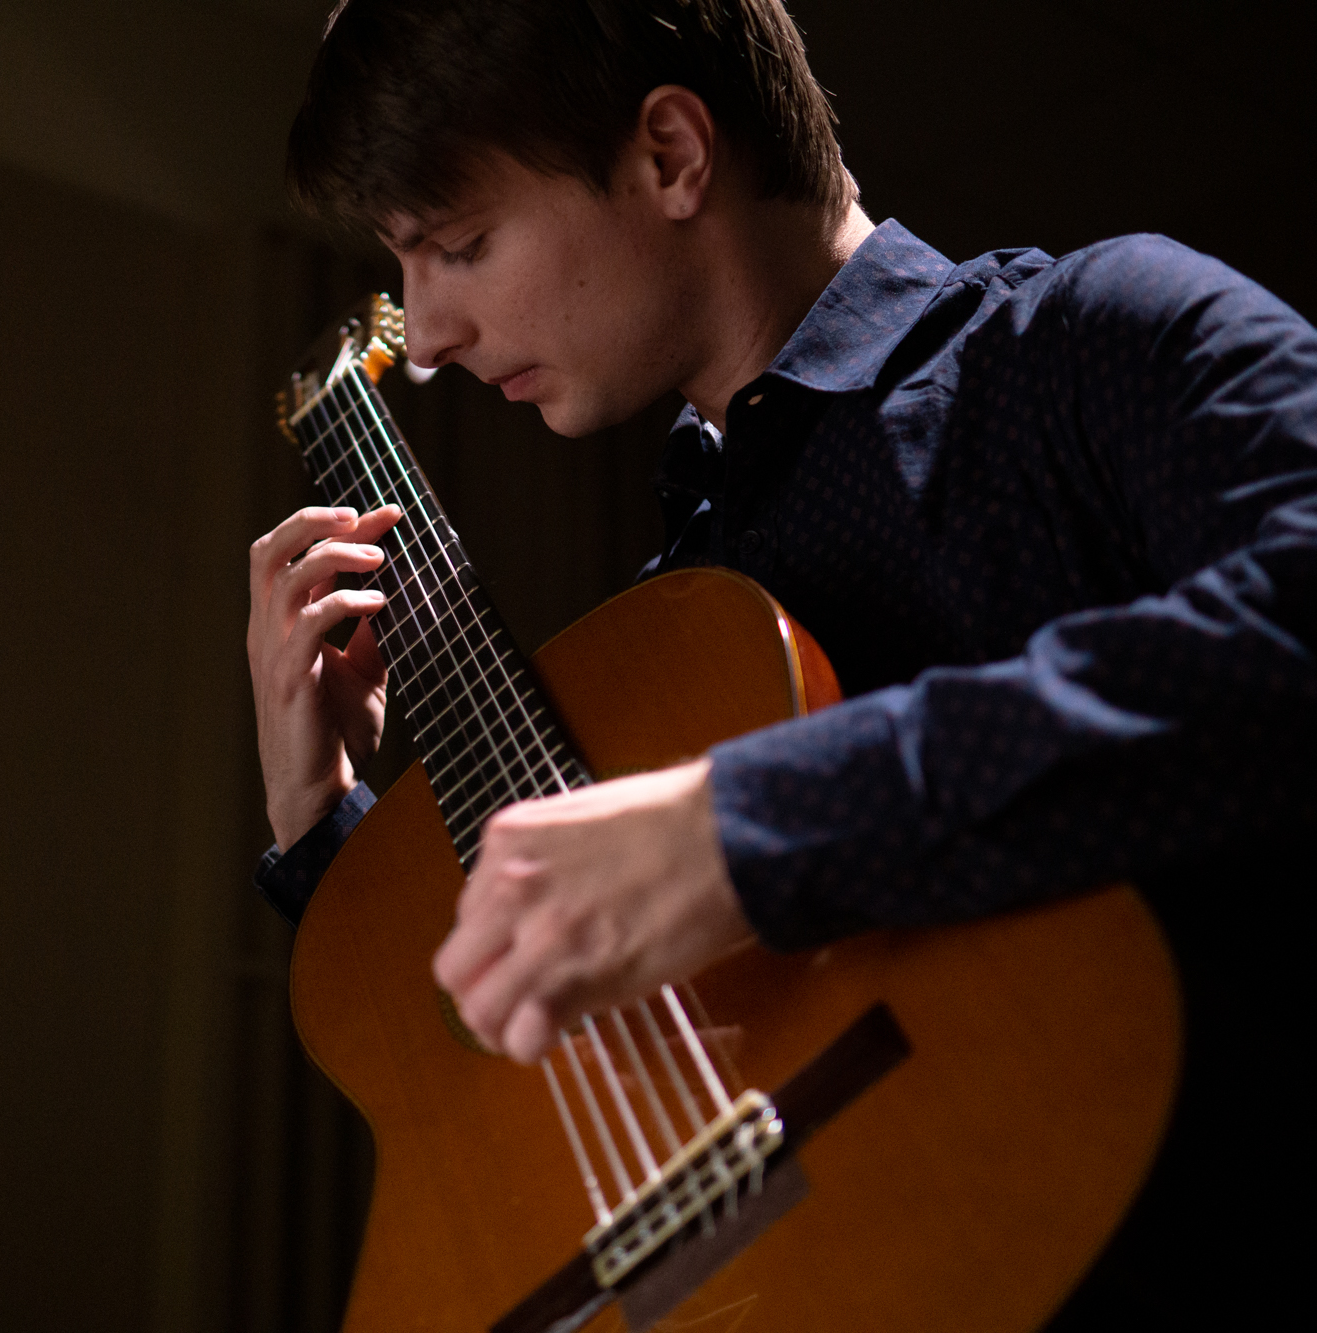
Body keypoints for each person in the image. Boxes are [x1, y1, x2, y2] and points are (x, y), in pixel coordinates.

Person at [245, 0, 1311, 1323]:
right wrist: (324, 825)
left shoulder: (1089, 342)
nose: (432, 330)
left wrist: (752, 826)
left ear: (674, 156)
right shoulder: (660, 635)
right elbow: (568, 1085)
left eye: (460, 245)